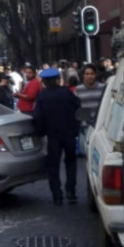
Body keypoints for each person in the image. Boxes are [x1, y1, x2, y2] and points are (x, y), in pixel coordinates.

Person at [32, 67, 81, 205]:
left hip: (53, 135)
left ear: (44, 82)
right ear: (58, 80)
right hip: (69, 133)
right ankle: (71, 191)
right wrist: (75, 128)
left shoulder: (42, 96)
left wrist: (41, 132)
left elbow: (38, 116)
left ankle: (57, 195)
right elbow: (78, 110)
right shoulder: (67, 92)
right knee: (71, 162)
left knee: (53, 165)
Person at [74, 64, 106, 157]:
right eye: (87, 74)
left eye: (92, 74)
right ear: (83, 75)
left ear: (95, 75)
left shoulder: (103, 88)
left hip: (100, 126)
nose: (89, 76)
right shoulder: (78, 90)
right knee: (86, 153)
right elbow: (75, 107)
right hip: (85, 126)